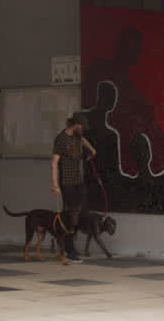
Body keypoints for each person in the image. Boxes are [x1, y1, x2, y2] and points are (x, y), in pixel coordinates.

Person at [52, 112, 96, 263]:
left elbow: (83, 140)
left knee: (82, 212)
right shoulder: (61, 139)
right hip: (67, 182)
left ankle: (68, 246)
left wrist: (92, 150)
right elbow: (54, 162)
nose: (83, 129)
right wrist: (55, 185)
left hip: (78, 181)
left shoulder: (77, 136)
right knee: (71, 215)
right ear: (76, 125)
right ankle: (69, 250)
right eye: (82, 126)